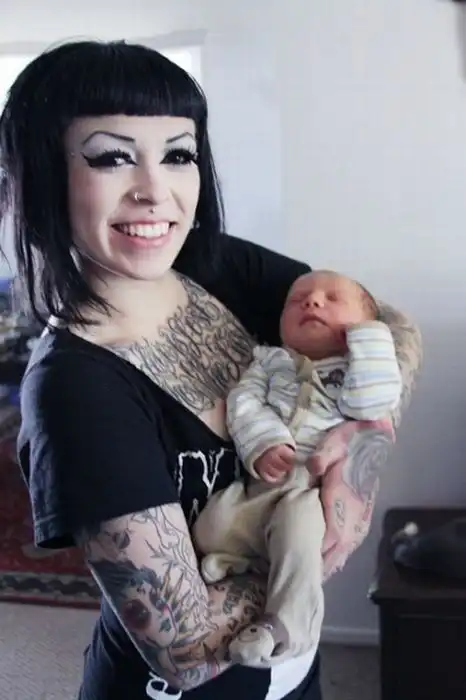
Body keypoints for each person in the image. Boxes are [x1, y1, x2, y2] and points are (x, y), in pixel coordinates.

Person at [0, 40, 419, 700]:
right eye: (111, 157)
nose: (155, 191)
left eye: (178, 154)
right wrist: (309, 543)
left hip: (295, 675)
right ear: (42, 175)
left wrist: (361, 444)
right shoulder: (75, 390)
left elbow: (380, 325)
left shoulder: (212, 262)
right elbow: (187, 648)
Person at [193, 270, 402, 667]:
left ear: (366, 326)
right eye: (297, 300)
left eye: (332, 298)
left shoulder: (358, 370)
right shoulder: (269, 361)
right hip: (264, 481)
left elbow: (371, 405)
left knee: (297, 525)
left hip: (311, 489)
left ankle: (288, 627)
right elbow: (244, 403)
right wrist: (265, 442)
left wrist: (370, 339)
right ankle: (258, 559)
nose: (312, 301)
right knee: (211, 526)